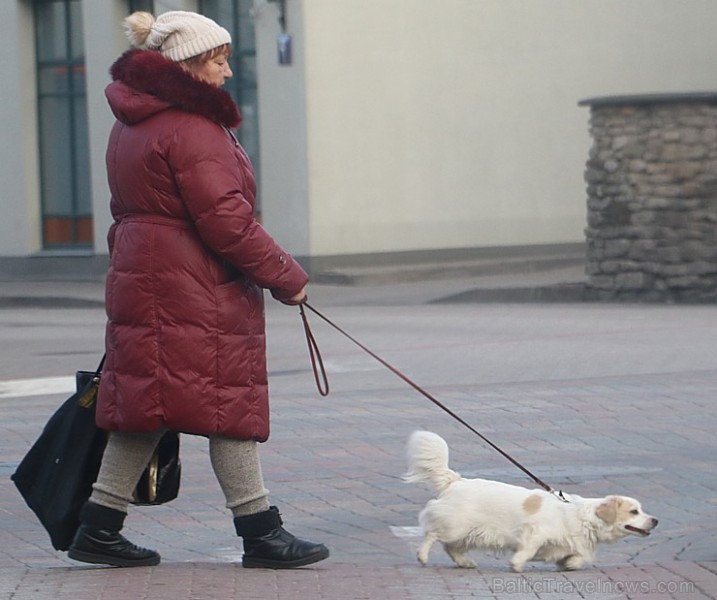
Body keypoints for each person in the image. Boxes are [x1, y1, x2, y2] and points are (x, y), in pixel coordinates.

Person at [67, 10, 329, 569]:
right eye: (218, 60)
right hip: (192, 285)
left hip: (149, 279)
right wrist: (288, 278)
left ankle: (97, 527)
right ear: (187, 66)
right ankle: (260, 532)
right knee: (222, 398)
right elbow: (227, 223)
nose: (228, 72)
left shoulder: (132, 123)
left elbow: (129, 213)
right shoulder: (192, 128)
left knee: (153, 403)